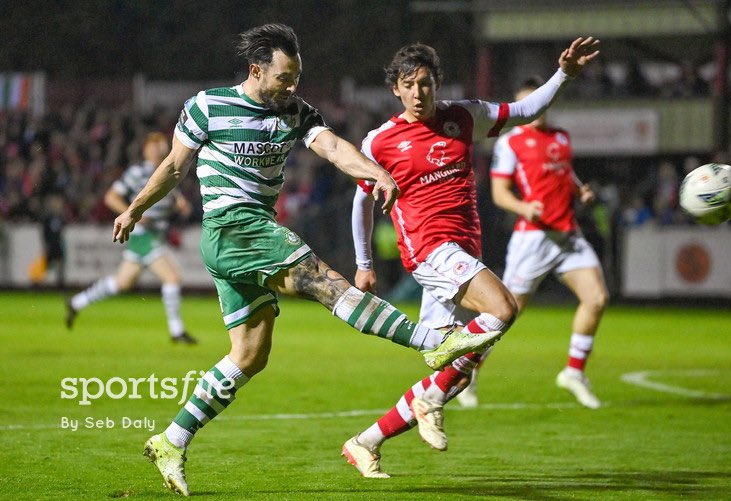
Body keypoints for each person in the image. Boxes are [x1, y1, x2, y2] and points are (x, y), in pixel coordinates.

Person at [111, 24, 502, 497]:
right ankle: (431, 344)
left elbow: (333, 147)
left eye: (297, 76)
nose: (292, 86)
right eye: (284, 77)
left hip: (241, 241)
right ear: (257, 70)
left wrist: (375, 171)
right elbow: (175, 166)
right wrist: (134, 209)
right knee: (323, 280)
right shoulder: (207, 105)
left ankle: (172, 440)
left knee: (250, 355)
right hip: (235, 227)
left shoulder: (295, 110)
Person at [343, 38, 600, 478]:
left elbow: (525, 112)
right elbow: (361, 202)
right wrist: (364, 262)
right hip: (429, 250)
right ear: (396, 90)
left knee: (457, 372)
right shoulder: (381, 141)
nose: (419, 92)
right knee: (503, 308)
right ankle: (429, 400)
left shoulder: (462, 116)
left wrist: (564, 74)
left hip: (463, 250)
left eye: (426, 83)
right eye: (410, 84)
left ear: (436, 84)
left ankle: (366, 441)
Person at [473, 77, 609, 411]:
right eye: (526, 104)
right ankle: (467, 370)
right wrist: (524, 208)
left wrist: (582, 192)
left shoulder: (561, 137)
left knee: (597, 298)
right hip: (533, 238)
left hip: (567, 235)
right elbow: (499, 194)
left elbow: (566, 175)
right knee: (503, 315)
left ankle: (573, 373)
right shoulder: (511, 142)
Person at [66, 132, 198, 344]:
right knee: (172, 277)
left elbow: (170, 197)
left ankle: (76, 302)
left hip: (154, 234)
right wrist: (132, 213)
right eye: (153, 146)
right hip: (144, 235)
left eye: (161, 146)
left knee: (122, 283)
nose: (158, 150)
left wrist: (180, 204)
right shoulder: (137, 172)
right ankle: (176, 331)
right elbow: (111, 197)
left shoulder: (168, 170)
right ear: (145, 149)